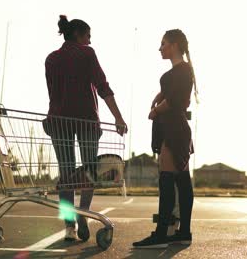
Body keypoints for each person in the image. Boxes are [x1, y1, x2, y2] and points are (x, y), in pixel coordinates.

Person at [45, 15, 127, 242]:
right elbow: (102, 86)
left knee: (66, 174)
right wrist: (118, 117)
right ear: (78, 35)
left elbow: (54, 93)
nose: (90, 41)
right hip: (86, 121)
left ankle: (69, 226)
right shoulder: (87, 54)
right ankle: (83, 214)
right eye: (88, 36)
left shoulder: (51, 59)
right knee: (89, 172)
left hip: (59, 121)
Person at [133, 29, 197, 248]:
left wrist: (156, 110)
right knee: (181, 180)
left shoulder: (183, 70)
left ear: (175, 45)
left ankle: (161, 234)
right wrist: (158, 96)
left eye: (163, 44)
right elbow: (170, 93)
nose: (160, 48)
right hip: (174, 128)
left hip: (174, 129)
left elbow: (175, 100)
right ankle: (183, 232)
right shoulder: (179, 72)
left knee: (168, 177)